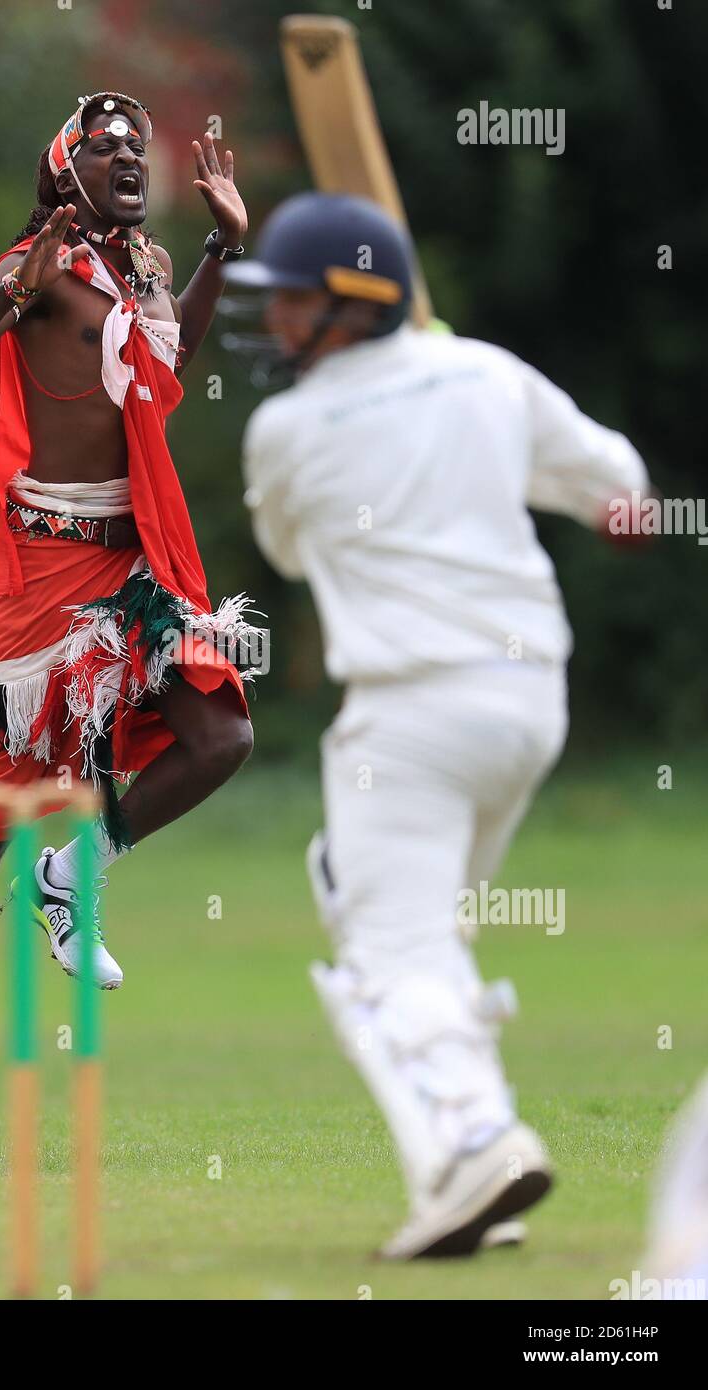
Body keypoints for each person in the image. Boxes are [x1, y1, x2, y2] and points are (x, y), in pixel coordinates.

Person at [224, 190, 650, 1258]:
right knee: (387, 916)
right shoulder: (487, 375)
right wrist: (464, 396)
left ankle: (475, 1138)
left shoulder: (282, 431)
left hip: (410, 719)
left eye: (291, 303)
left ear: (349, 305)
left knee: (392, 940)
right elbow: (623, 503)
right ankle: (451, 1175)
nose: (273, 323)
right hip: (525, 703)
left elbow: (283, 551)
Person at [0, 93, 260, 1152]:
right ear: (64, 170)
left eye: (138, 146)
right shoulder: (34, 267)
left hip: (132, 559)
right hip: (35, 559)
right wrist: (10, 294)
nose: (129, 157)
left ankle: (77, 866)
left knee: (221, 732)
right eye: (104, 147)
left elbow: (164, 373)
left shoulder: (140, 268)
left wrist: (224, 252)